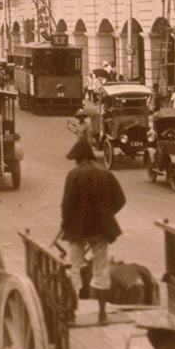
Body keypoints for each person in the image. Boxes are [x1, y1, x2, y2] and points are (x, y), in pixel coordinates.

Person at [61, 138, 126, 324]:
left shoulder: (73, 175)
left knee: (73, 269)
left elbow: (66, 206)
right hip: (100, 229)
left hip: (77, 230)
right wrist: (106, 214)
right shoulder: (106, 174)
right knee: (102, 269)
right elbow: (120, 199)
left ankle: (72, 315)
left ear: (79, 158)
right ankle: (102, 314)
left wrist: (66, 223)